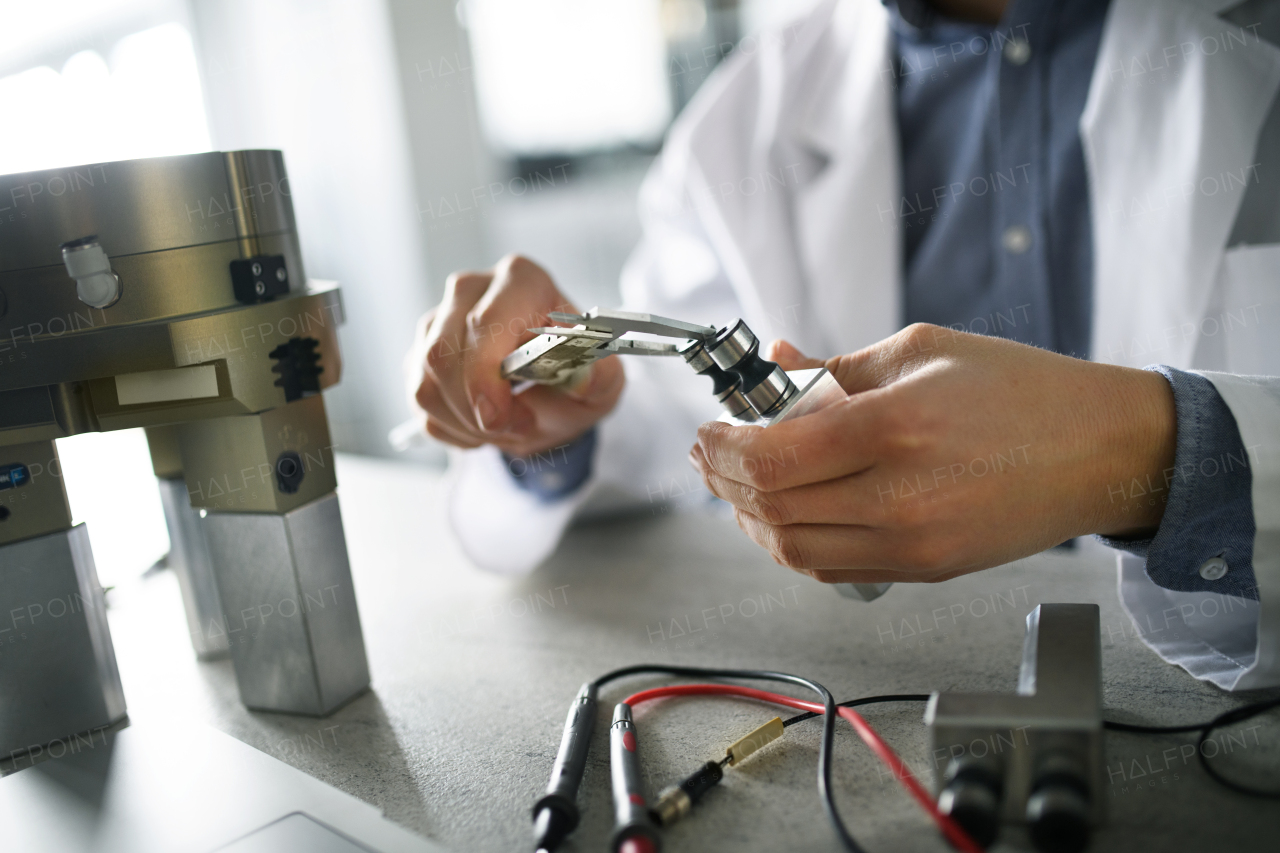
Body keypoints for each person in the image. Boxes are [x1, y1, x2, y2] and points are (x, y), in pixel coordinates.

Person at [406, 0, 1280, 690]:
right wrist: (564, 420)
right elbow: (669, 429)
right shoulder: (753, 109)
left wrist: (1150, 451)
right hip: (895, 689)